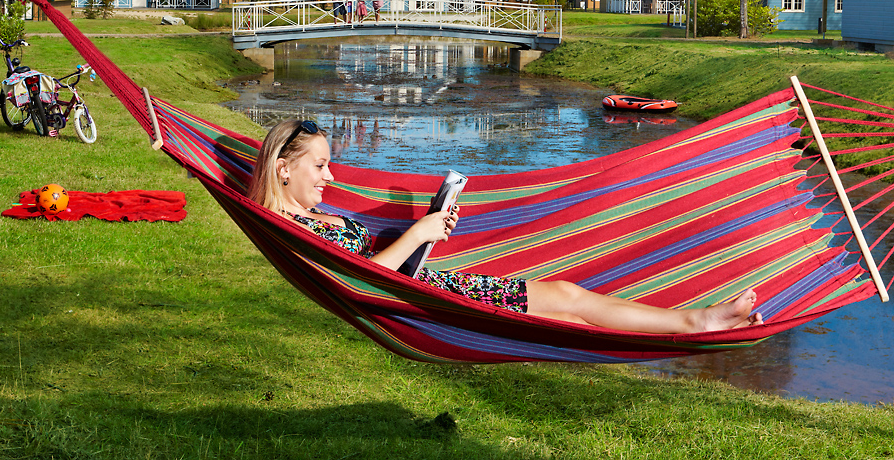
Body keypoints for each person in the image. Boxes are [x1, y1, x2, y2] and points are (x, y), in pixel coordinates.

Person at [248, 119, 764, 333]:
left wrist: (426, 228)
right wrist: (419, 233)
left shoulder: (310, 214)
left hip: (429, 287)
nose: (330, 176)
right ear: (283, 167)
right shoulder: (287, 226)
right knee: (568, 303)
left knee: (568, 299)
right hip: (425, 300)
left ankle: (697, 322)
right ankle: (698, 322)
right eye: (319, 166)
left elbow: (371, 268)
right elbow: (356, 282)